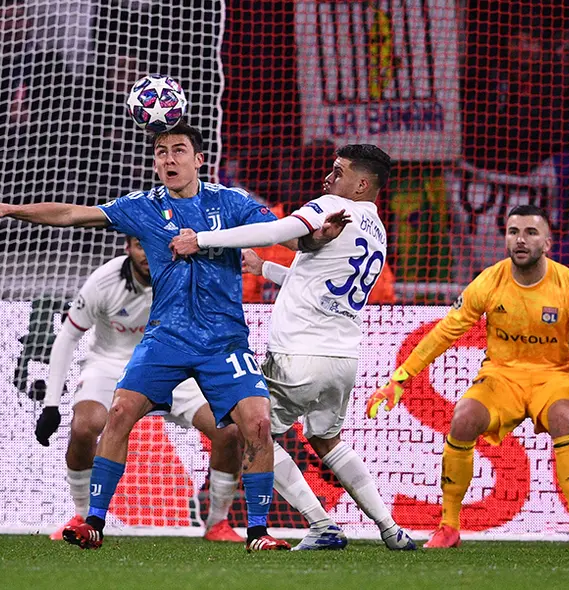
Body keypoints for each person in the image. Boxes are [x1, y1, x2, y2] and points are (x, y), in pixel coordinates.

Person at [0, 123, 342, 551]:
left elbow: (281, 234)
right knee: (119, 411)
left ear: (199, 159)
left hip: (224, 340)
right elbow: (72, 214)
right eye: (161, 152)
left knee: (257, 423)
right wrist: (11, 210)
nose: (169, 159)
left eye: (179, 151)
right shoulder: (141, 207)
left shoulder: (231, 202)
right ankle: (93, 522)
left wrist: (317, 236)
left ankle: (256, 531)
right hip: (166, 338)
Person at [171, 144, 417, 551]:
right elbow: (316, 285)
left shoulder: (331, 206)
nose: (328, 178)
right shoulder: (377, 229)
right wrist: (264, 268)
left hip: (298, 354)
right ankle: (391, 530)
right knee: (328, 440)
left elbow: (273, 231)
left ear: (360, 183)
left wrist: (204, 239)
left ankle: (321, 524)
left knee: (248, 432)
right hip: (342, 358)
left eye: (338, 171)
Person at [364, 204, 569, 551]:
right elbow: (445, 332)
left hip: (558, 376)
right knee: (463, 418)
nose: (520, 240)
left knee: (562, 417)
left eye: (530, 233)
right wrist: (400, 379)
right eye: (513, 232)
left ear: (548, 243)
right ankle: (449, 526)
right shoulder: (490, 280)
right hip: (502, 376)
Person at [35, 236, 246, 543]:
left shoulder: (188, 276)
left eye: (152, 246)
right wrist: (51, 404)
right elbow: (67, 337)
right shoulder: (104, 280)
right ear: (127, 248)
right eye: (138, 246)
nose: (146, 254)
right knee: (83, 428)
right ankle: (82, 515)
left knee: (228, 432)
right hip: (111, 364)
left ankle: (217, 524)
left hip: (175, 364)